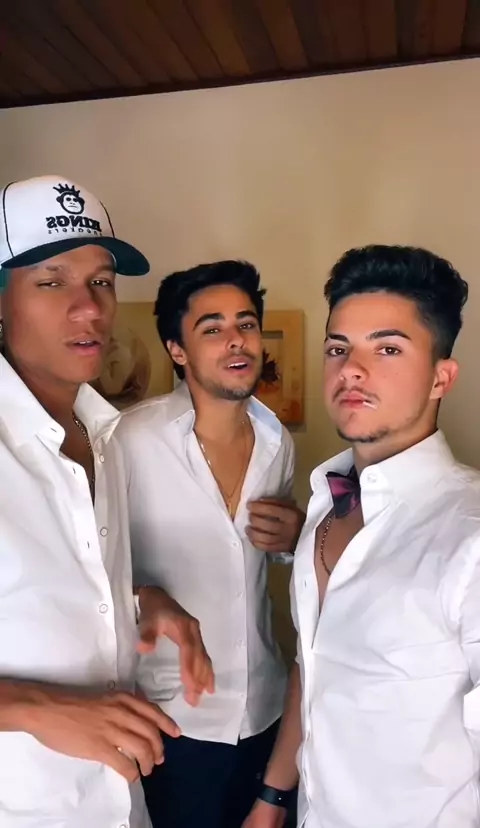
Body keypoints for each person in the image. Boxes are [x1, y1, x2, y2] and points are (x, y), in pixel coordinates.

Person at [0, 175, 213, 828]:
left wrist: (141, 598)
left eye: (101, 280)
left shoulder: (104, 434)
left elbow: (49, 589)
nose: (89, 308)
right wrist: (35, 708)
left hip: (119, 804)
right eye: (52, 281)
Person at [244, 244, 480, 828]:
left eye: (388, 348)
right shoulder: (325, 506)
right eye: (338, 348)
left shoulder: (470, 536)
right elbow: (312, 665)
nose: (351, 368)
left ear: (441, 377)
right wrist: (273, 798)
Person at [116, 260, 305, 828]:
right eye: (212, 328)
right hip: (171, 720)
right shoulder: (128, 440)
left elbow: (273, 554)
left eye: (245, 324)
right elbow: (90, 564)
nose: (235, 340)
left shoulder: (277, 441)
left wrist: (295, 538)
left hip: (266, 712)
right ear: (177, 350)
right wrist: (144, 596)